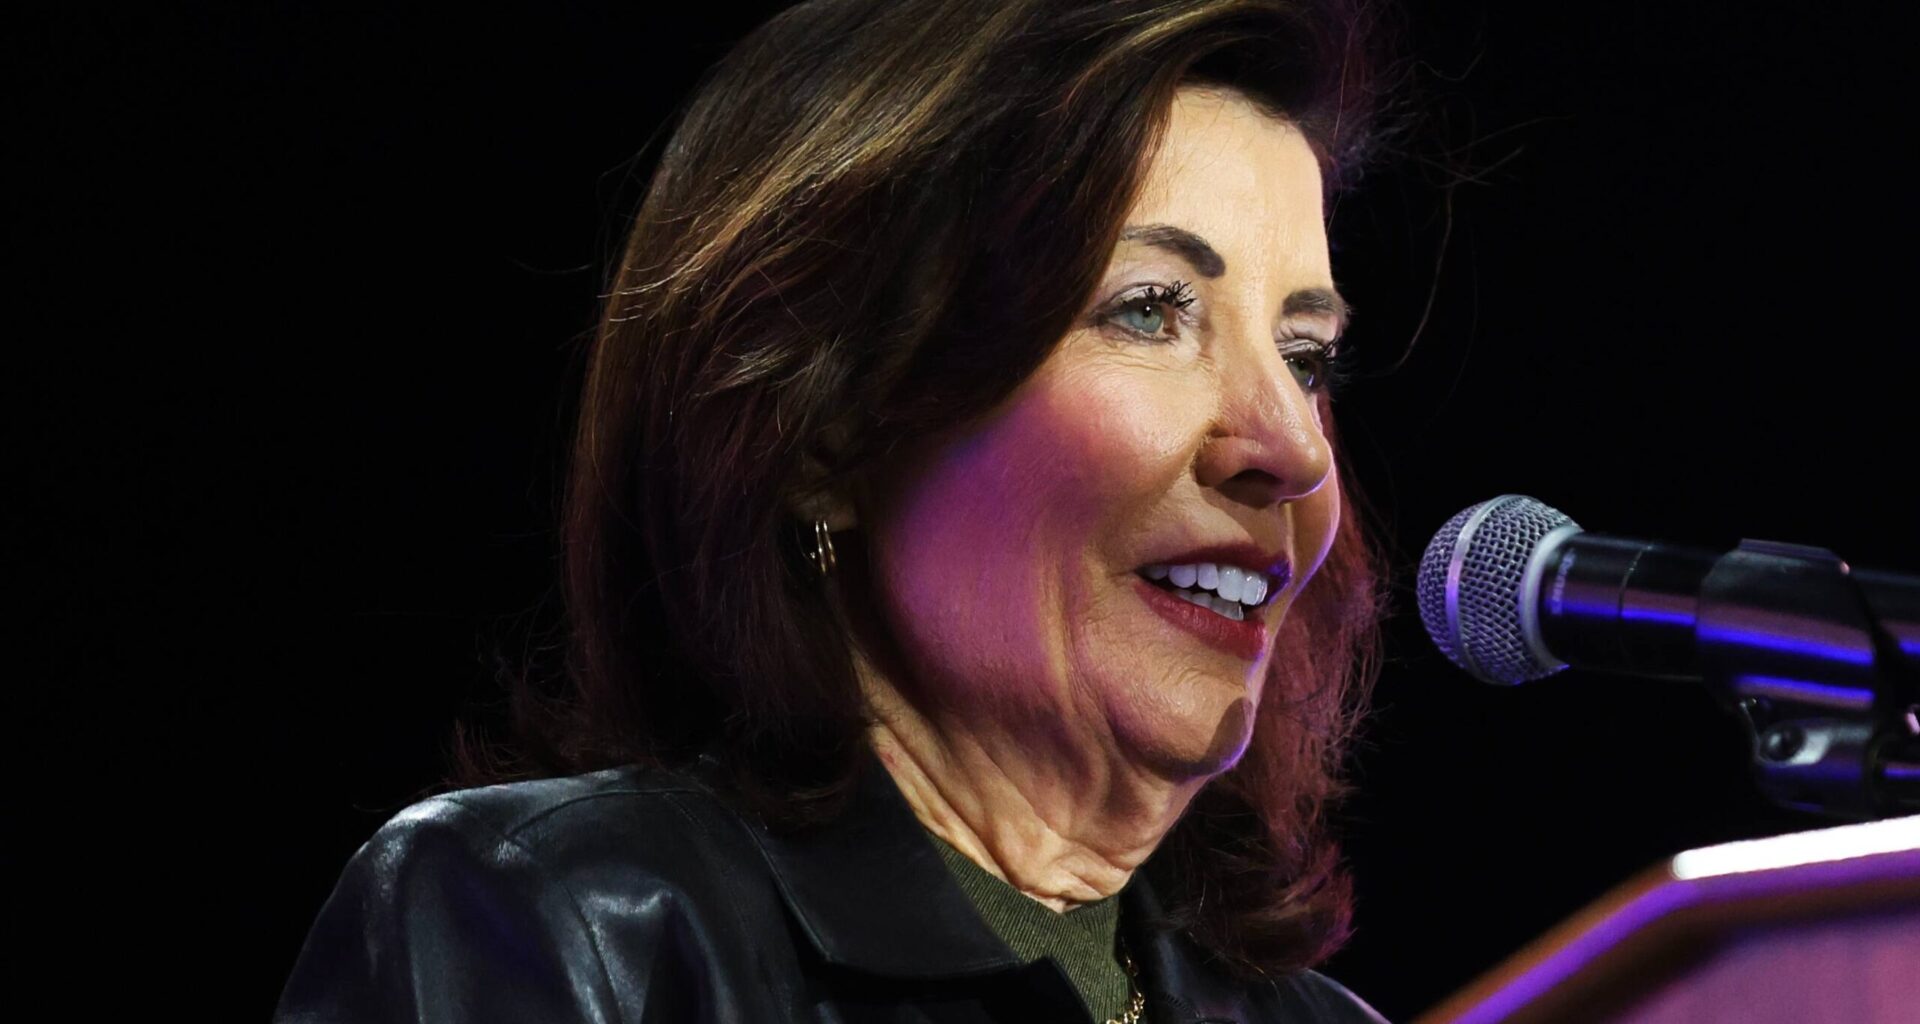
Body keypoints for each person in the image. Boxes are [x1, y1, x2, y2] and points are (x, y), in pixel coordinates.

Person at [276, 0, 1395, 1020]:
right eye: (1151, 309)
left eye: (1307, 358)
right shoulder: (567, 933)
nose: (1293, 448)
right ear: (828, 428)